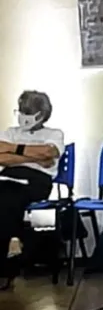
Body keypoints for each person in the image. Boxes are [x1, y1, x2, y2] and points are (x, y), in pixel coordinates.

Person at [0, 91, 64, 288]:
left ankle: (6, 263)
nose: (22, 115)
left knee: (8, 197)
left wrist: (14, 150)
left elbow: (49, 153)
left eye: (27, 111)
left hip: (37, 181)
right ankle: (13, 242)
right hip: (9, 176)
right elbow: (1, 156)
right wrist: (32, 156)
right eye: (21, 110)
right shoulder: (11, 132)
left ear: (41, 114)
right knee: (6, 193)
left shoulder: (54, 134)